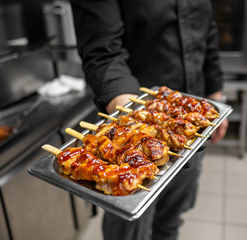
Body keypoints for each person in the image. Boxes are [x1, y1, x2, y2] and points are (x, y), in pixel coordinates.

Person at [69, 1, 229, 240]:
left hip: (193, 130)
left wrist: (216, 94)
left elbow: (207, 31)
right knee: (128, 227)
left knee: (171, 218)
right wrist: (132, 112)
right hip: (130, 109)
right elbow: (102, 50)